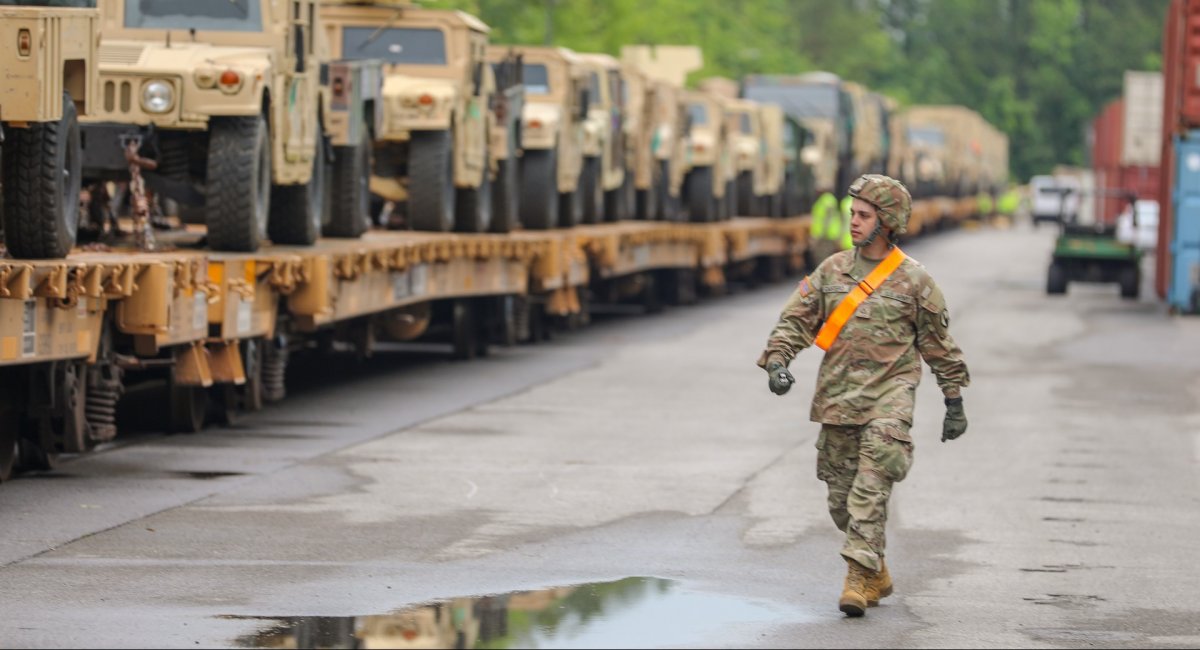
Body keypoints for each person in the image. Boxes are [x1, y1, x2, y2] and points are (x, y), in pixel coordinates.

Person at [756, 174, 970, 618]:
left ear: (887, 221)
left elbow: (938, 345)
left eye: (864, 215)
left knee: (870, 488)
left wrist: (954, 400)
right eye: (852, 214)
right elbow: (796, 320)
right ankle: (876, 568)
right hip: (837, 400)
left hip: (890, 399)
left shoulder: (915, 281)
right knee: (841, 501)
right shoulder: (832, 271)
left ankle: (856, 577)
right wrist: (778, 361)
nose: (853, 222)